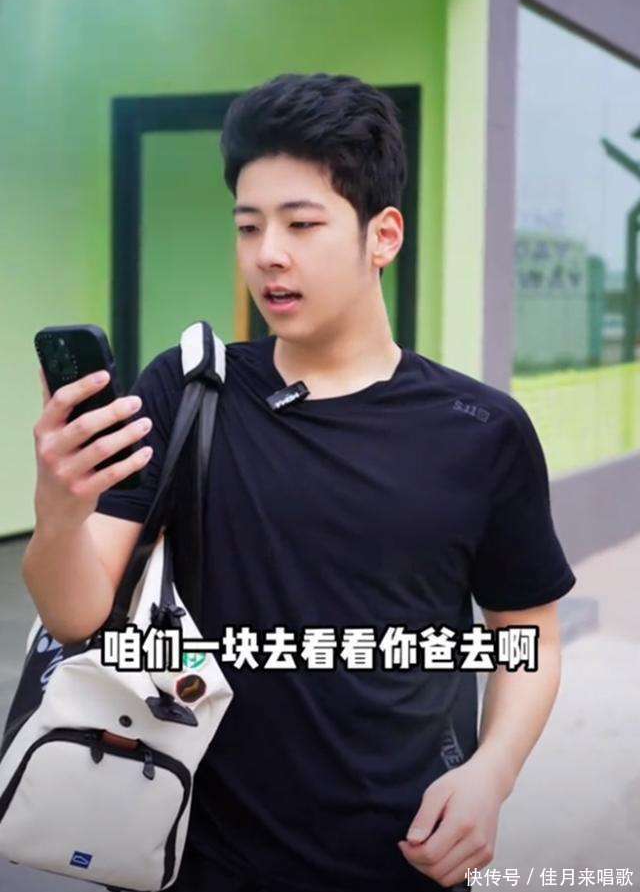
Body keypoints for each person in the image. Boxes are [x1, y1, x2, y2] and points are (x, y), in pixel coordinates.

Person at [26, 72, 576, 892]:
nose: (268, 253)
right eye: (249, 226)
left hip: (403, 857)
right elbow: (74, 613)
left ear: (383, 235)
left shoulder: (481, 430)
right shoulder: (189, 390)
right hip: (195, 856)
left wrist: (492, 774)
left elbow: (528, 634)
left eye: (302, 223)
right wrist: (59, 513)